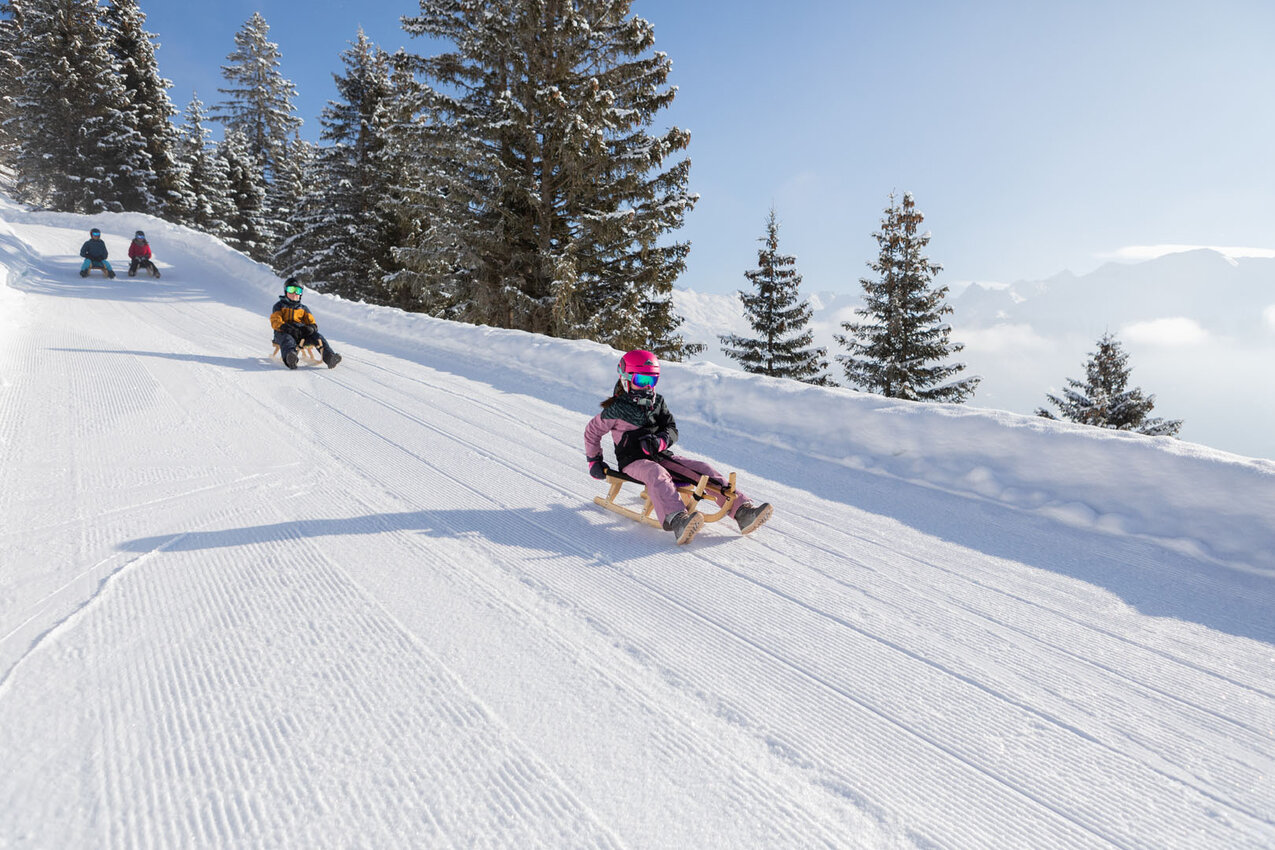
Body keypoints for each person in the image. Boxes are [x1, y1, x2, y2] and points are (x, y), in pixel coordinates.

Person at [584, 349, 773, 544]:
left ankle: (742, 511)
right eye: (641, 380)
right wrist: (594, 461)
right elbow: (591, 431)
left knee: (702, 469)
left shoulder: (657, 402)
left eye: (652, 380)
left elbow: (671, 428)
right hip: (633, 461)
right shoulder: (615, 410)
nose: (647, 386)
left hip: (661, 455)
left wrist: (661, 441)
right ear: (625, 379)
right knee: (656, 473)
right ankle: (677, 520)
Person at [269, 278, 342, 370]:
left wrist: (311, 328)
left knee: (318, 337)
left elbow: (312, 322)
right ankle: (290, 358)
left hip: (300, 334)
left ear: (301, 294)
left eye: (298, 291)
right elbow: (275, 321)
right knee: (287, 340)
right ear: (285, 291)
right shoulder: (279, 306)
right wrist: (286, 328)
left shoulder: (303, 308)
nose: (294, 293)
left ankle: (329, 357)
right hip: (283, 332)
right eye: (291, 290)